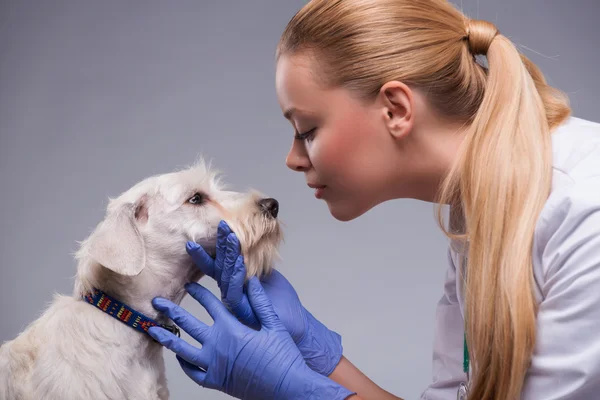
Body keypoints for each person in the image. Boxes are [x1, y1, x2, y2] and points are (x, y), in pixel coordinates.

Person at [146, 0, 600, 399]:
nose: (292, 158)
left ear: (396, 110)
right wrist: (314, 354)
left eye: (307, 130)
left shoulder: (586, 212)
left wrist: (298, 391)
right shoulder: (477, 219)